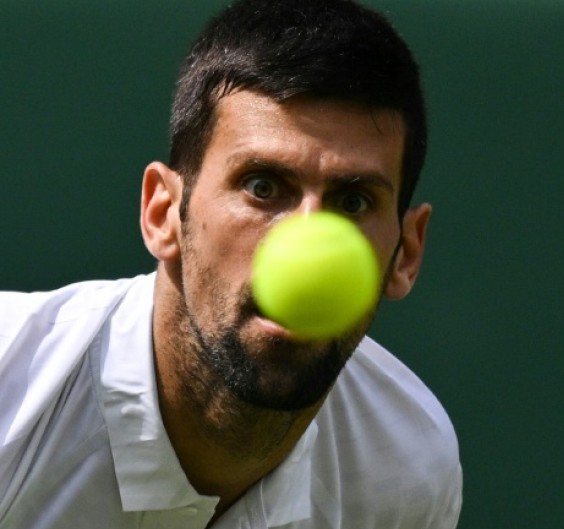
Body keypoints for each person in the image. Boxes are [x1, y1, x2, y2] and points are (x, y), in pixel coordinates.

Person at [0, 0, 462, 527]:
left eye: (354, 202)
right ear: (164, 213)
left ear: (406, 252)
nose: (306, 247)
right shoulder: (9, 389)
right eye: (262, 187)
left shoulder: (406, 470)